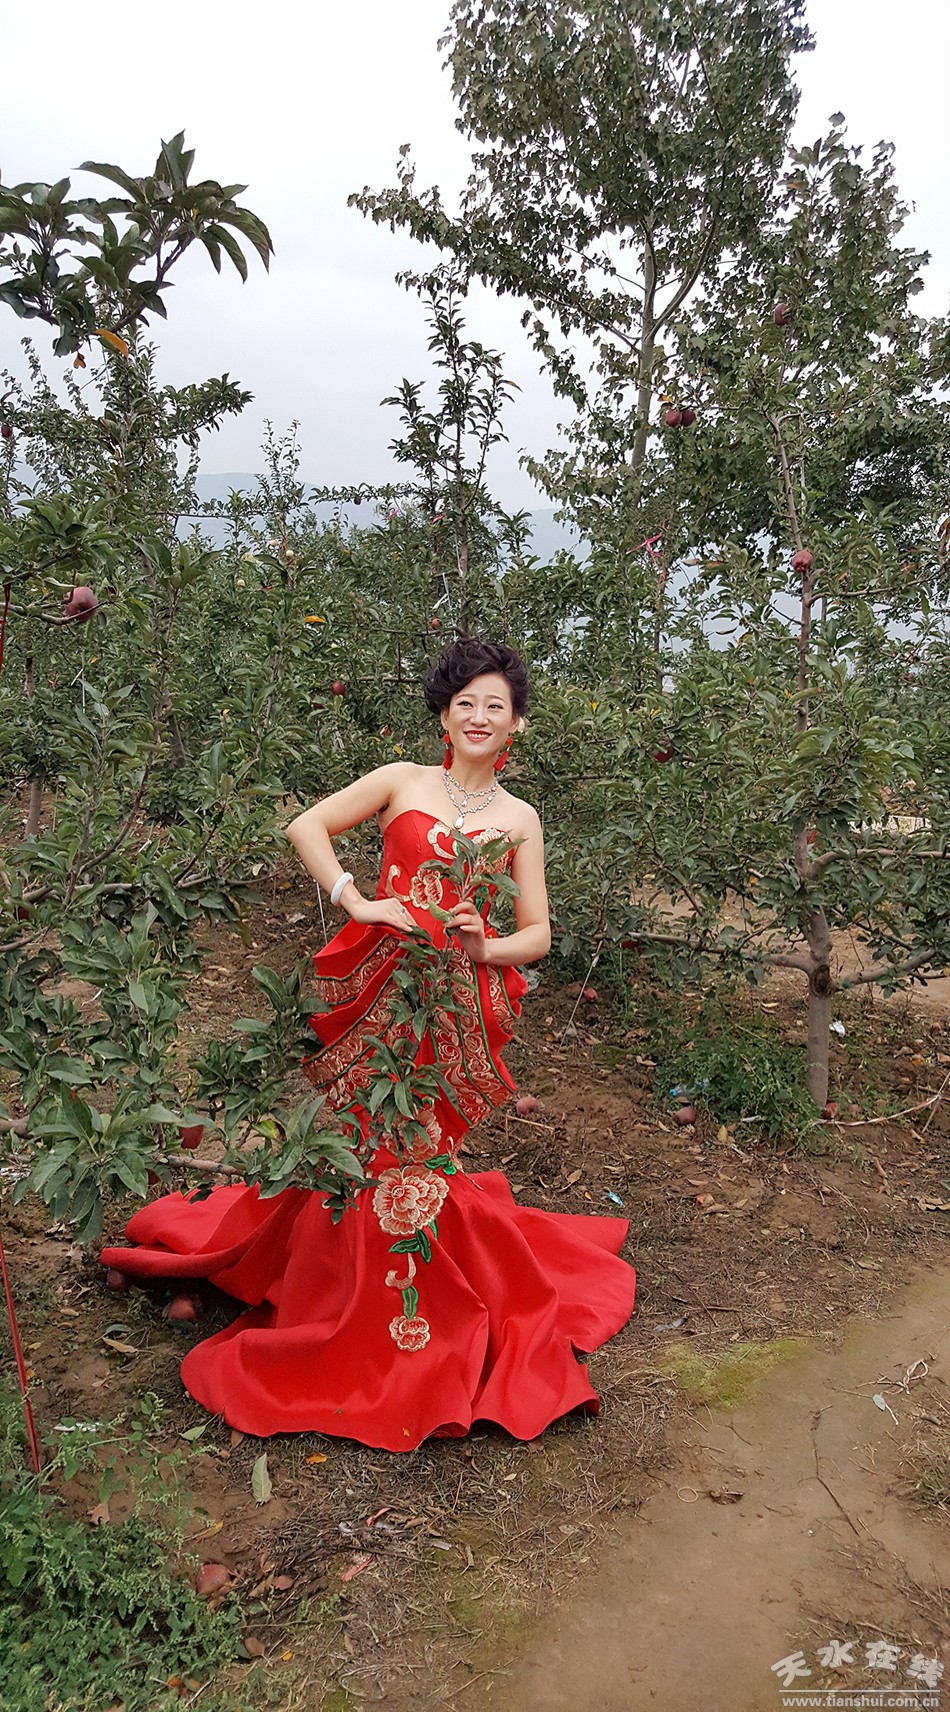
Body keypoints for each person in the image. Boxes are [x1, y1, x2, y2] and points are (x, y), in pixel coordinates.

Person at [99, 639, 637, 1451]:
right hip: (382, 990)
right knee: (368, 1140)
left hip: (452, 1006)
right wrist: (357, 900)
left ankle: (410, 1310)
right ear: (444, 716)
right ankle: (343, 1297)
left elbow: (538, 934)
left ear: (517, 723)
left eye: (494, 705)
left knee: (422, 1151)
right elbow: (306, 825)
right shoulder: (401, 781)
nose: (478, 716)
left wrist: (483, 945)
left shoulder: (520, 818)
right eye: (464, 703)